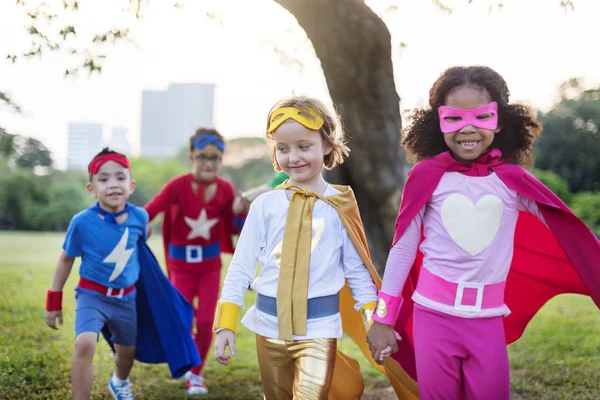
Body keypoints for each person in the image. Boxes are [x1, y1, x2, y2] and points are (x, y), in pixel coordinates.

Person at [366, 65, 600, 399]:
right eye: (454, 118)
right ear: (437, 122)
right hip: (432, 316)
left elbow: (566, 229)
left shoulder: (512, 179)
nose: (468, 129)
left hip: (487, 319)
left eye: (481, 117)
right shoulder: (426, 175)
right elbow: (403, 248)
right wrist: (383, 319)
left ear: (500, 120)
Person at [212, 95, 388, 400]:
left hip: (319, 330)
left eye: (303, 146)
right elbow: (240, 267)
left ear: (327, 145)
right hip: (267, 328)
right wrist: (225, 323)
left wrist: (373, 320)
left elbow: (358, 271)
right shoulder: (265, 205)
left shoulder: (339, 205)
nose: (293, 157)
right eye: (283, 148)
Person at [45, 148, 200, 400]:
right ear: (91, 188)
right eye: (103, 179)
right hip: (91, 296)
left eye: (120, 177)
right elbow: (66, 259)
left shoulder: (139, 217)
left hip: (126, 300)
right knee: (84, 343)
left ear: (131, 185)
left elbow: (141, 241)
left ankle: (120, 382)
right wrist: (53, 300)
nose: (113, 184)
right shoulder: (81, 222)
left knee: (126, 352)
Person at [144, 127, 248, 395]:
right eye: (202, 156)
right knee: (181, 318)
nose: (208, 163)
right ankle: (185, 355)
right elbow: (151, 209)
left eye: (214, 157)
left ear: (221, 160)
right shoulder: (177, 185)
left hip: (210, 267)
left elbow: (233, 228)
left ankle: (195, 373)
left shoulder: (226, 188)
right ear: (192, 157)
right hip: (181, 266)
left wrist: (240, 211)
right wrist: (136, 224)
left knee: (205, 322)